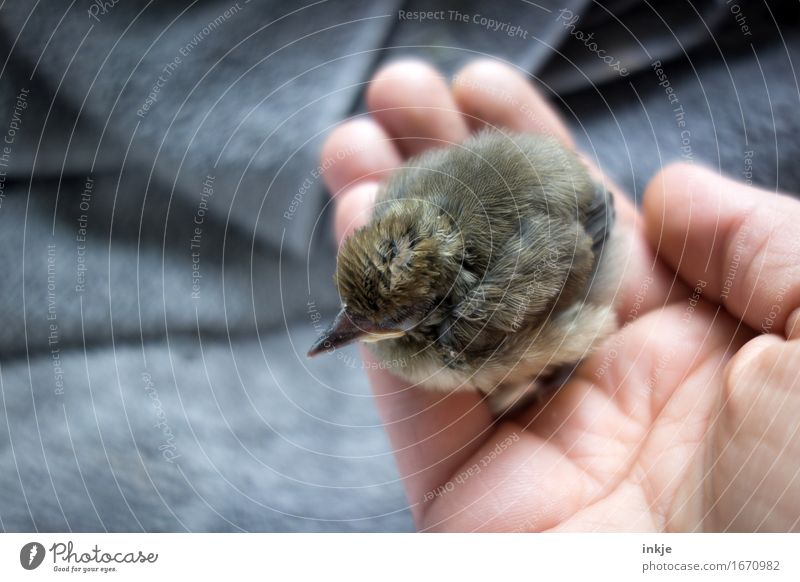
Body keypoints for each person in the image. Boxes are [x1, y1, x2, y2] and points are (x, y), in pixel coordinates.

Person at [318, 59, 800, 532]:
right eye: (354, 313)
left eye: (393, 314)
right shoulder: (398, 194)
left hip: (581, 219)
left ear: (433, 308)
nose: (351, 327)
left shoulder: (466, 329)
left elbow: (585, 235)